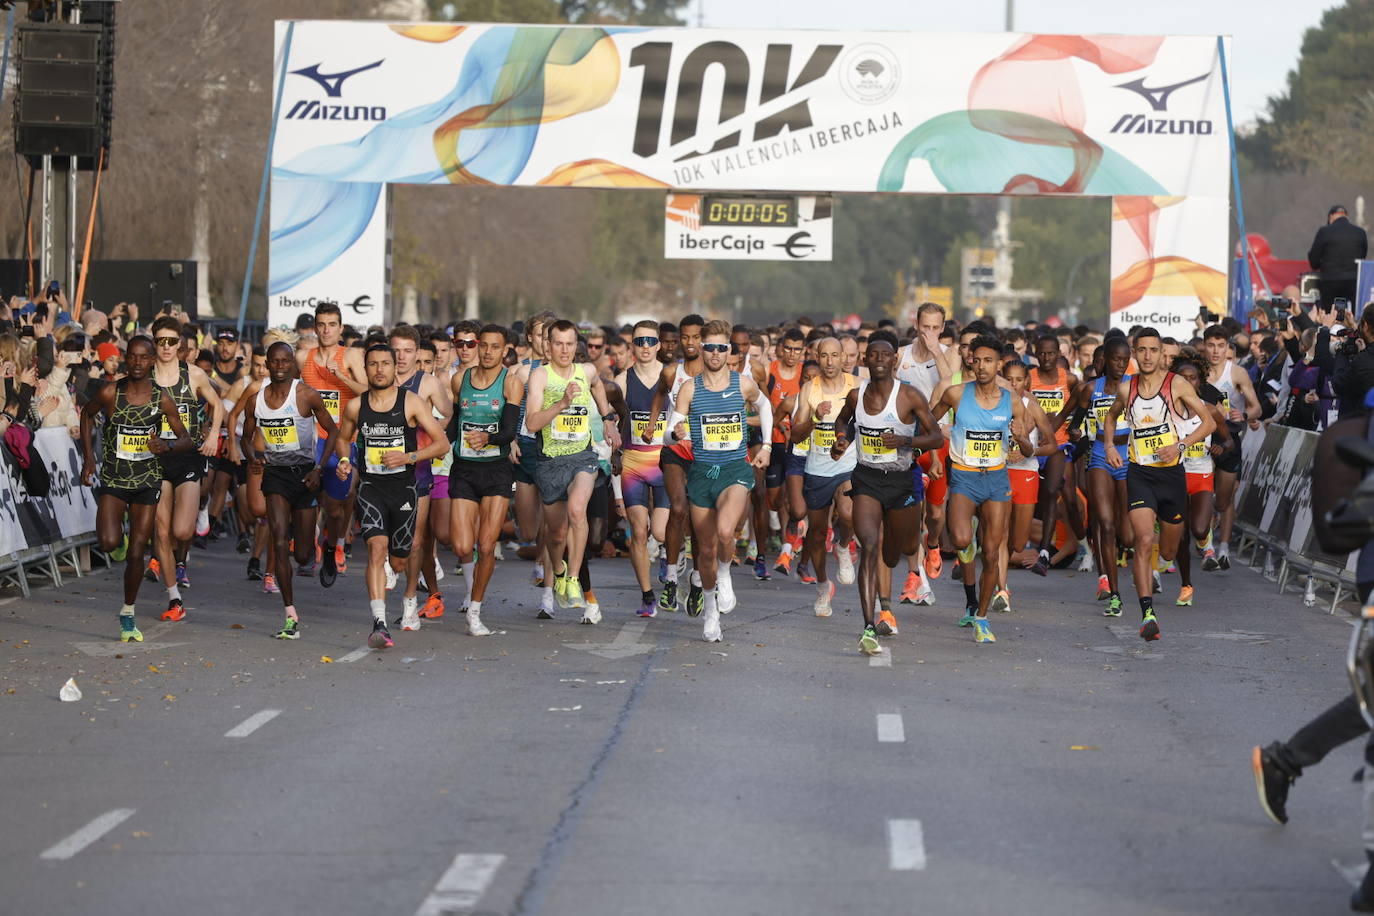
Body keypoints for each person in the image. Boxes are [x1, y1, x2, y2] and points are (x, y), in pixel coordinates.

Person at [830, 330, 943, 654]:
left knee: (900, 548)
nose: (878, 360)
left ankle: (899, 568)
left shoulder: (909, 396)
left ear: (894, 360)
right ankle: (868, 625)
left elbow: (935, 437)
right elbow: (844, 421)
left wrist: (905, 441)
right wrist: (842, 439)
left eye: (885, 355)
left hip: (902, 480)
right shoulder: (856, 395)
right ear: (865, 360)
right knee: (869, 544)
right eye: (873, 355)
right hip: (867, 478)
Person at [332, 342, 450, 647]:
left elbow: (441, 444)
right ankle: (379, 623)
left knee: (400, 559)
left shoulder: (410, 402)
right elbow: (343, 439)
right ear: (366, 368)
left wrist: (408, 457)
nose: (379, 370)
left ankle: (404, 589)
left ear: (393, 366)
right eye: (373, 364)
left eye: (385, 363)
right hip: (371, 488)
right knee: (375, 549)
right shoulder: (356, 407)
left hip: (404, 488)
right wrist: (345, 461)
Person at [79, 336, 194, 641]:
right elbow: (86, 414)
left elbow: (186, 439)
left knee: (137, 554)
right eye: (133, 357)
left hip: (147, 481)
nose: (138, 363)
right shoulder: (110, 392)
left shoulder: (162, 398)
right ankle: (119, 539)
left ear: (153, 360)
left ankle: (128, 612)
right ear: (125, 359)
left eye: (144, 358)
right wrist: (89, 459)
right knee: (107, 542)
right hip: (116, 480)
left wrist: (166, 444)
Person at [1103, 328, 1215, 640]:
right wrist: (1110, 446)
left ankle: (1165, 565)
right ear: (1134, 353)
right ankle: (1147, 612)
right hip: (1139, 474)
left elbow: (1209, 422)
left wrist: (1180, 446)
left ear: (1160, 353)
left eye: (1154, 350)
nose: (1148, 356)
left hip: (1171, 476)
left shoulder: (1175, 384)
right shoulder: (1128, 389)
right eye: (1142, 350)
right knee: (1141, 540)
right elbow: (1110, 418)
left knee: (1168, 547)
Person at [669, 319, 772, 642]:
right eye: (709, 347)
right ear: (701, 349)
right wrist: (677, 432)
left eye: (721, 348)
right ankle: (711, 610)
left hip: (733, 470)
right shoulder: (689, 388)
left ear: (729, 351)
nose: (714, 353)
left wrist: (766, 445)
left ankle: (726, 574)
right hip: (701, 472)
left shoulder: (743, 383)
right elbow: (671, 432)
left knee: (727, 532)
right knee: (707, 548)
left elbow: (765, 406)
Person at [930, 335, 1035, 644]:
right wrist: (936, 448)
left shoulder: (1011, 399)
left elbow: (1028, 448)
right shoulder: (955, 394)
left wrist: (1021, 437)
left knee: (992, 553)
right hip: (964, 477)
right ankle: (969, 574)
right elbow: (926, 423)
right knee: (962, 538)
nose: (984, 366)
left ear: (998, 364)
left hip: (996, 480)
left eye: (990, 361)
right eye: (979, 360)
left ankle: (982, 616)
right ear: (971, 362)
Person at [524, 319, 621, 622]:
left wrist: (607, 418)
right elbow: (532, 423)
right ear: (548, 346)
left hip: (582, 456)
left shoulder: (587, 370)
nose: (564, 350)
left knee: (578, 511)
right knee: (555, 534)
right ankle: (560, 570)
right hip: (550, 461)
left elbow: (597, 388)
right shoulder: (541, 376)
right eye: (558, 343)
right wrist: (562, 403)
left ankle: (574, 579)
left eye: (569, 344)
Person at [240, 342, 338, 639]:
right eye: (275, 362)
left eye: (285, 361)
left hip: (305, 475)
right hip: (276, 476)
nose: (280, 366)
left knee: (304, 555)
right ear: (267, 365)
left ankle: (327, 545)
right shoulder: (255, 400)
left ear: (292, 365)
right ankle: (290, 615)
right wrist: (254, 458)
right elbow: (245, 438)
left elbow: (332, 431)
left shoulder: (306, 395)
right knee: (280, 541)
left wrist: (318, 469)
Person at [146, 316, 223, 620]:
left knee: (181, 530)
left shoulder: (193, 375)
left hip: (188, 457)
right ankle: (174, 597)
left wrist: (214, 433)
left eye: (171, 341)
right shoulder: (145, 376)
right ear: (154, 343)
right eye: (160, 341)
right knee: (162, 531)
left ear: (180, 345)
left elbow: (218, 405)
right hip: (156, 458)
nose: (166, 347)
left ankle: (181, 561)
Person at [449, 323, 522, 637]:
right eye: (484, 346)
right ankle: (470, 588)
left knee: (487, 545)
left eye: (496, 347)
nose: (489, 352)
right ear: (477, 346)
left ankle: (475, 610)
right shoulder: (459, 379)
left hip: (496, 470)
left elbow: (508, 432)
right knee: (462, 545)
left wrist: (486, 438)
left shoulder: (511, 383)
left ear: (505, 350)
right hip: (464, 468)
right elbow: (454, 426)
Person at [1058, 335, 1133, 611]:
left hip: (1128, 458)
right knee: (1105, 522)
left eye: (1126, 360)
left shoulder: (1134, 388)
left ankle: (1121, 563)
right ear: (1105, 361)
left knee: (1127, 536)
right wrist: (1075, 433)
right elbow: (1074, 425)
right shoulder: (1091, 389)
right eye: (1116, 359)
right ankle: (1113, 591)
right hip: (1100, 455)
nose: (1121, 365)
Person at [298, 303, 368, 587]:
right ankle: (310, 544)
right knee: (307, 498)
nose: (326, 330)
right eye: (322, 324)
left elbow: (368, 392)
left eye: (332, 325)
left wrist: (340, 375)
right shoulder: (304, 356)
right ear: (316, 327)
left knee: (337, 507)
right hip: (311, 440)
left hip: (341, 439)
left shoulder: (350, 355)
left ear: (340, 328)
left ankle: (332, 544)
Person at [789, 335, 858, 616]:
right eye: (824, 355)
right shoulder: (809, 389)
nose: (830, 361)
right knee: (816, 536)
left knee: (849, 512)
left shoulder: (858, 386)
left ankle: (843, 546)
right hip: (817, 468)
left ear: (844, 358)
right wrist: (815, 418)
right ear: (818, 357)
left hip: (848, 465)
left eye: (835, 355)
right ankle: (822, 586)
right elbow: (795, 434)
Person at [389, 326, 452, 625]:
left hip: (418, 468)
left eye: (407, 351)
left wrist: (434, 435)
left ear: (417, 353)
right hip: (384, 469)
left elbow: (449, 412)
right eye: (396, 350)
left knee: (415, 541)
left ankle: (410, 600)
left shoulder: (428, 383)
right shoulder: (379, 379)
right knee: (388, 539)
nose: (401, 357)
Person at [645, 314, 708, 614]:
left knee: (697, 517)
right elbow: (659, 395)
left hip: (704, 454)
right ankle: (671, 579)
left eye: (696, 337)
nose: (691, 342)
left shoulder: (715, 373)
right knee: (678, 508)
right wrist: (653, 423)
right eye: (686, 337)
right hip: (673, 448)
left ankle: (696, 580)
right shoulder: (672, 372)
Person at [895, 303, 956, 606]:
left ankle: (933, 543)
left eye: (936, 327)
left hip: (939, 441)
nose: (930, 333)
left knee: (934, 514)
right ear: (916, 324)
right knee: (913, 513)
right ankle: (914, 575)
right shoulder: (901, 356)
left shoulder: (949, 354)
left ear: (942, 328)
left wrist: (936, 352)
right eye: (925, 327)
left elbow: (952, 385)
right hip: (907, 442)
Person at [617, 319, 670, 617]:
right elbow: (609, 417)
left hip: (666, 464)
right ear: (632, 346)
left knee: (660, 532)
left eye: (651, 341)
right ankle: (647, 595)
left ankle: (669, 554)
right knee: (638, 530)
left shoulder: (671, 377)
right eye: (640, 342)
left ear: (659, 345)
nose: (646, 347)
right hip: (634, 463)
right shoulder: (622, 381)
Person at [1169, 353, 1230, 608]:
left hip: (1202, 474)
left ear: (1200, 382)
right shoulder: (1165, 409)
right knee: (1180, 535)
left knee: (1199, 529)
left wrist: (1220, 447)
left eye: (1193, 378)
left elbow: (1228, 440)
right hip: (1173, 476)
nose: (1188, 382)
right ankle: (1186, 584)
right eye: (1182, 378)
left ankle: (1206, 542)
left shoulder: (1211, 410)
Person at [1202, 325, 1260, 570]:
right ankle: (1212, 548)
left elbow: (1256, 407)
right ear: (1204, 346)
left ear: (1228, 348)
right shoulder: (1196, 373)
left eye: (1221, 346)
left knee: (1224, 499)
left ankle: (1224, 547)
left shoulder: (1236, 373)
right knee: (1201, 493)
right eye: (1211, 346)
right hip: (1201, 439)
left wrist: (1244, 415)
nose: (1216, 351)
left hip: (1229, 440)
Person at [1028, 333, 1083, 576]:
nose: (1046, 358)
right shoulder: (1029, 378)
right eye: (1042, 353)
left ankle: (1067, 546)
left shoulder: (1069, 379)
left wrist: (1068, 423)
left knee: (1065, 496)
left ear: (1059, 354)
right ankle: (1047, 545)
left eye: (1051, 353)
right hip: (1033, 445)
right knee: (1041, 497)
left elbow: (1082, 398)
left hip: (1059, 445)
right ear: (1035, 353)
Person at [1307, 204, 1368, 308]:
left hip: (1330, 282)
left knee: (1330, 314)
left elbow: (1314, 260)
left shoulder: (1324, 231)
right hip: (1353, 282)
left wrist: (1321, 265)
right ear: (1346, 216)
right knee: (1351, 315)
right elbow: (1362, 257)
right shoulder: (1360, 232)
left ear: (1331, 217)